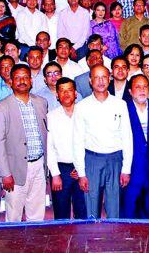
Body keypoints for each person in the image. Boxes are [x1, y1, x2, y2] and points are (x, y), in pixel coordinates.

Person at [0, 64, 49, 222]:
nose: (22, 81)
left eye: (25, 77)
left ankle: (34, 245)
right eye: (17, 78)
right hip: (14, 169)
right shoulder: (2, 107)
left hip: (39, 165)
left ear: (31, 81)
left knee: (37, 214)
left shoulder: (41, 103)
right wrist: (5, 174)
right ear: (10, 82)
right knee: (14, 215)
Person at [73, 65, 133, 219]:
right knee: (91, 206)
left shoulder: (120, 104)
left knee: (115, 207)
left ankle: (114, 239)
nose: (100, 81)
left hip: (115, 159)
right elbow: (78, 141)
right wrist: (81, 172)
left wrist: (126, 168)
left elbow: (127, 137)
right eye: (96, 77)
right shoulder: (82, 107)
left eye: (104, 77)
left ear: (110, 78)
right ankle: (92, 240)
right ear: (90, 81)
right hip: (92, 160)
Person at [120, 75, 149, 219]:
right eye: (137, 87)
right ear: (130, 91)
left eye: (145, 86)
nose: (142, 90)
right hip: (131, 170)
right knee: (129, 210)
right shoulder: (122, 109)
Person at [45, 77, 88, 220]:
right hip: (61, 169)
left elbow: (91, 142)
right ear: (57, 95)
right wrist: (55, 174)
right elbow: (49, 148)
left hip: (82, 168)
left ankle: (82, 242)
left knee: (82, 210)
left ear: (75, 93)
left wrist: (82, 168)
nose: (66, 94)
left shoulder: (85, 113)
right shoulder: (51, 117)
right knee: (61, 212)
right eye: (62, 91)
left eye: (69, 90)